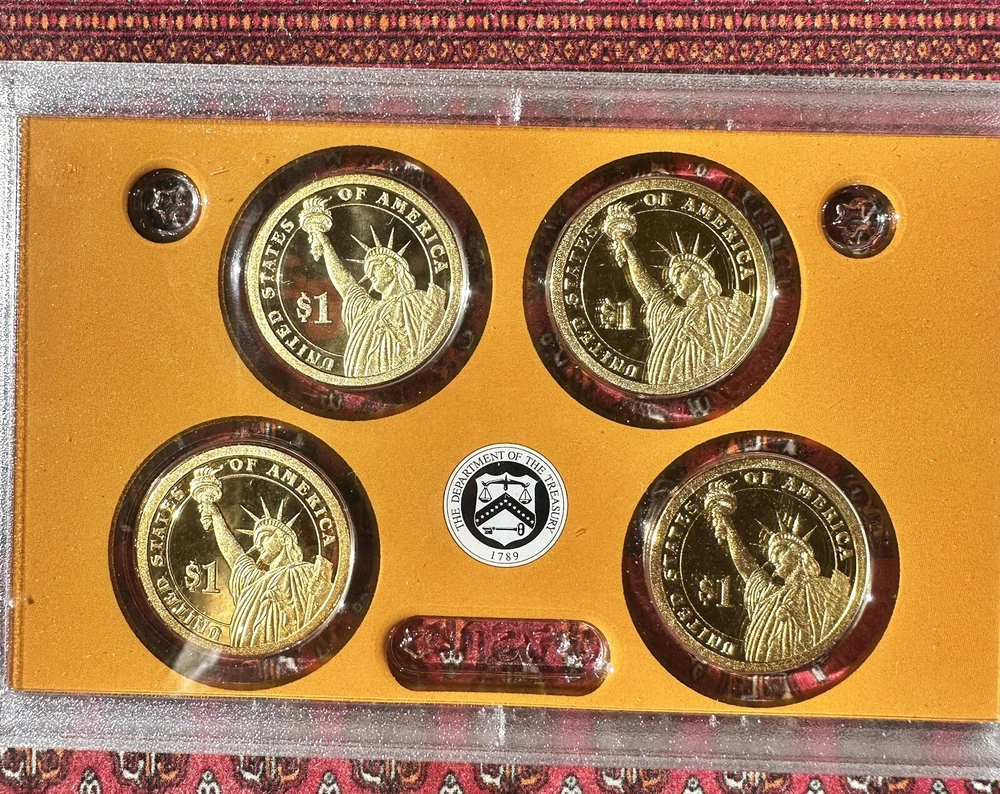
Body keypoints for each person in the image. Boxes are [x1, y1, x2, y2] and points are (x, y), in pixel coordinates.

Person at [601, 202, 752, 387]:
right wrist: (629, 248)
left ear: (700, 273)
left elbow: (739, 354)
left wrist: (744, 328)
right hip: (666, 389)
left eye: (680, 272)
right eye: (673, 277)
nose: (675, 280)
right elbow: (648, 289)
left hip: (709, 390)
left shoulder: (721, 307)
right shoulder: (673, 316)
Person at [703, 479, 851, 664]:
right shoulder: (770, 595)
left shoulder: (823, 589)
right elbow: (746, 566)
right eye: (772, 553)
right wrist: (727, 524)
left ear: (800, 555)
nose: (773, 557)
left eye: (780, 550)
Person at [299, 197, 446, 378]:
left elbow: (434, 343)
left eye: (375, 267)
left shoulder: (416, 300)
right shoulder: (366, 309)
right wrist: (325, 243)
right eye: (368, 270)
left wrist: (437, 321)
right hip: (362, 379)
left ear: (394, 267)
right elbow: (344, 282)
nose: (370, 275)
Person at [191, 468, 334, 649]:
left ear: (284, 539)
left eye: (265, 537)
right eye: (257, 541)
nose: (259, 545)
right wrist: (216, 515)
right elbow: (233, 553)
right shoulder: (255, 579)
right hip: (249, 648)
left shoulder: (305, 572)